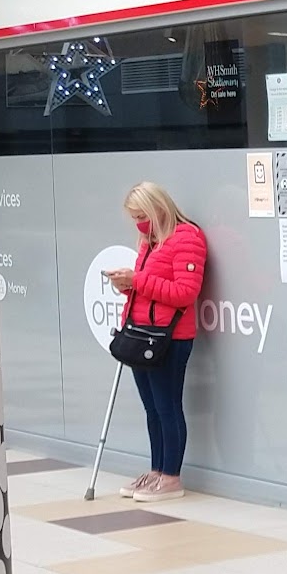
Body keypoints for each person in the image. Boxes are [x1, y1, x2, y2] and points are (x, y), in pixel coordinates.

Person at [106, 182, 207, 504]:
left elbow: (185, 293)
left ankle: (171, 476)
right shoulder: (149, 242)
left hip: (169, 336)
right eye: (134, 217)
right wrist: (127, 286)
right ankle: (157, 469)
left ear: (157, 208)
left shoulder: (187, 237)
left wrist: (137, 281)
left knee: (167, 406)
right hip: (140, 331)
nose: (138, 223)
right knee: (151, 408)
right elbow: (148, 289)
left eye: (141, 215)